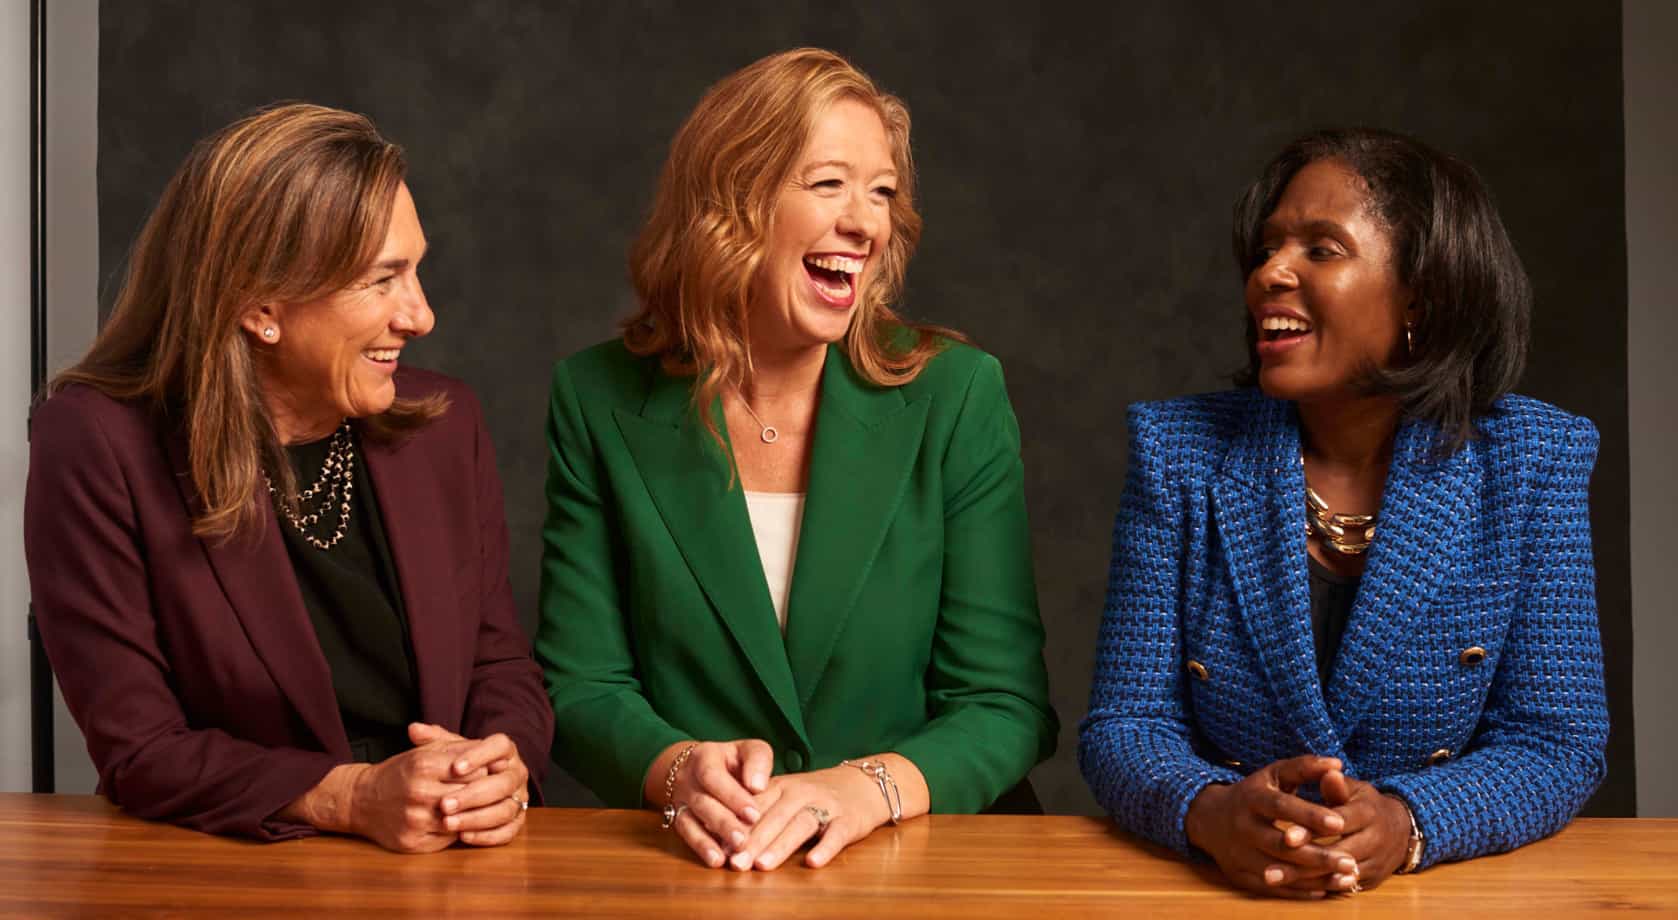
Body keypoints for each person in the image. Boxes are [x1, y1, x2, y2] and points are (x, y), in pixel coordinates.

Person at [537, 48, 1057, 871]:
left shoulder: (957, 394)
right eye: (828, 185)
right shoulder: (597, 397)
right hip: (709, 870)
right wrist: (677, 772)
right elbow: (580, 686)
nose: (867, 223)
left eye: (882, 191)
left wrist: (862, 790)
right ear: (730, 204)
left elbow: (1005, 704)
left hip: (925, 865)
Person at [1078, 127, 1608, 898]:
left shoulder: (1533, 460)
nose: (1269, 274)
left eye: (1320, 250)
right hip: (1223, 893)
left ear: (1420, 296)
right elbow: (1125, 728)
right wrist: (1212, 811)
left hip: (1441, 900)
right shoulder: (1178, 451)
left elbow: (1555, 743)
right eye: (1267, 250)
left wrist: (1407, 823)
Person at [25, 103, 552, 851]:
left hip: (450, 859)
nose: (422, 314)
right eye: (383, 278)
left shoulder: (445, 424)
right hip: (238, 866)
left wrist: (502, 764)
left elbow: (501, 665)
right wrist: (350, 796)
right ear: (261, 305)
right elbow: (139, 749)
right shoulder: (96, 442)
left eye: (417, 270)